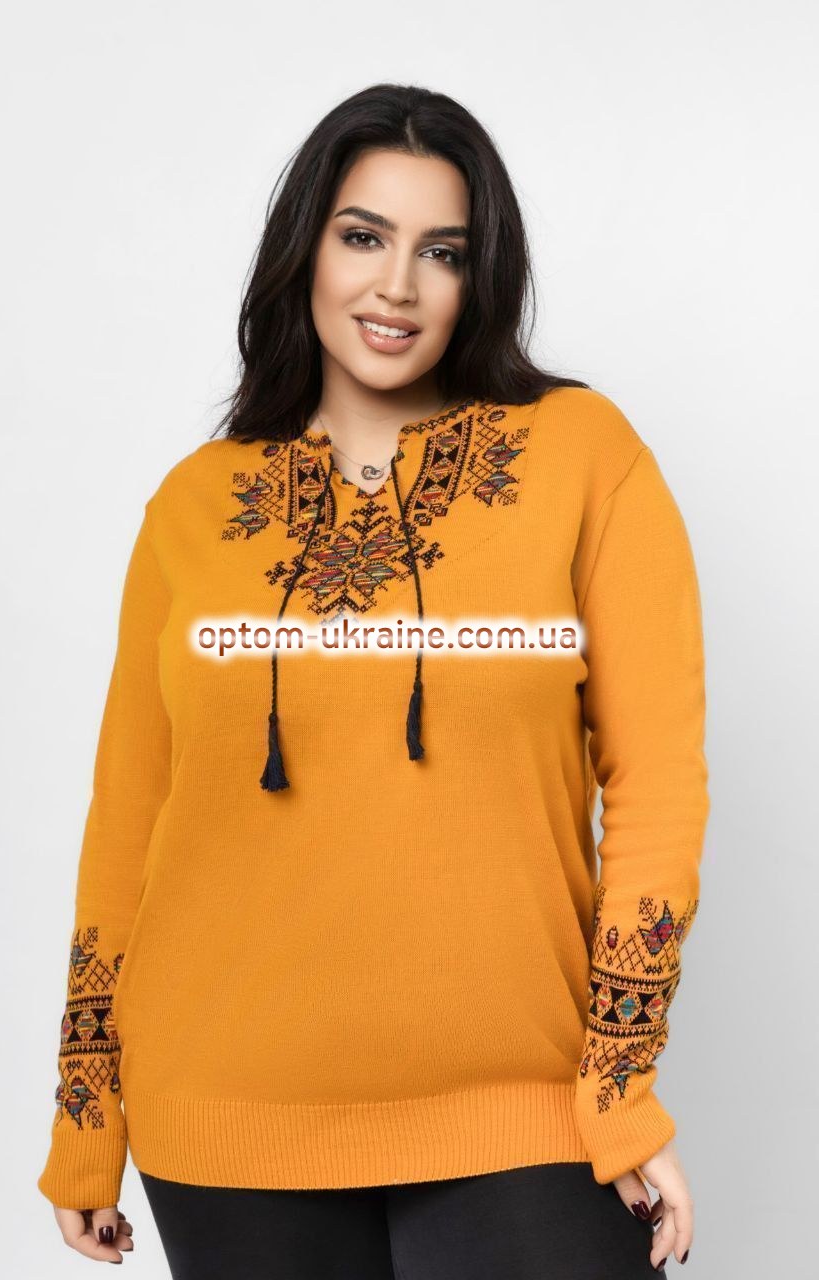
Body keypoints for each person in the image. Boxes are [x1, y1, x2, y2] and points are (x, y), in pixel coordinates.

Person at [37, 82, 708, 1277]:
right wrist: (86, 1115)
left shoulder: (582, 457)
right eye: (362, 236)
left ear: (476, 278)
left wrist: (618, 1080)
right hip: (226, 1116)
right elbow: (128, 822)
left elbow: (656, 786)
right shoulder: (194, 505)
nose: (396, 285)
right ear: (306, 248)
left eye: (439, 251)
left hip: (520, 1103)